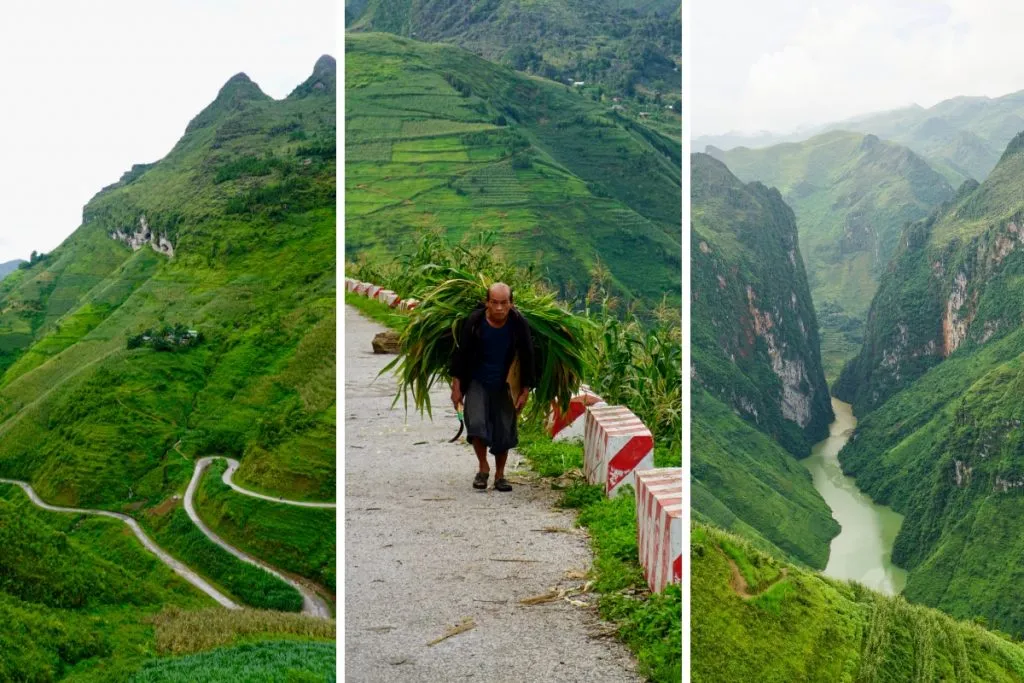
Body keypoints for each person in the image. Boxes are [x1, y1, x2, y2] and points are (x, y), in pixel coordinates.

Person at [449, 282, 536, 491]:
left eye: (504, 303)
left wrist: (525, 390)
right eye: (494, 303)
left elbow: (528, 357)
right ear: (486, 302)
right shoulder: (475, 322)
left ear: (511, 304)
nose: (499, 308)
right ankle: (483, 468)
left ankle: (500, 475)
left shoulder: (518, 324)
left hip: (505, 385)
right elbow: (461, 354)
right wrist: (457, 386)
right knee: (476, 424)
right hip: (477, 381)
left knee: (504, 431)